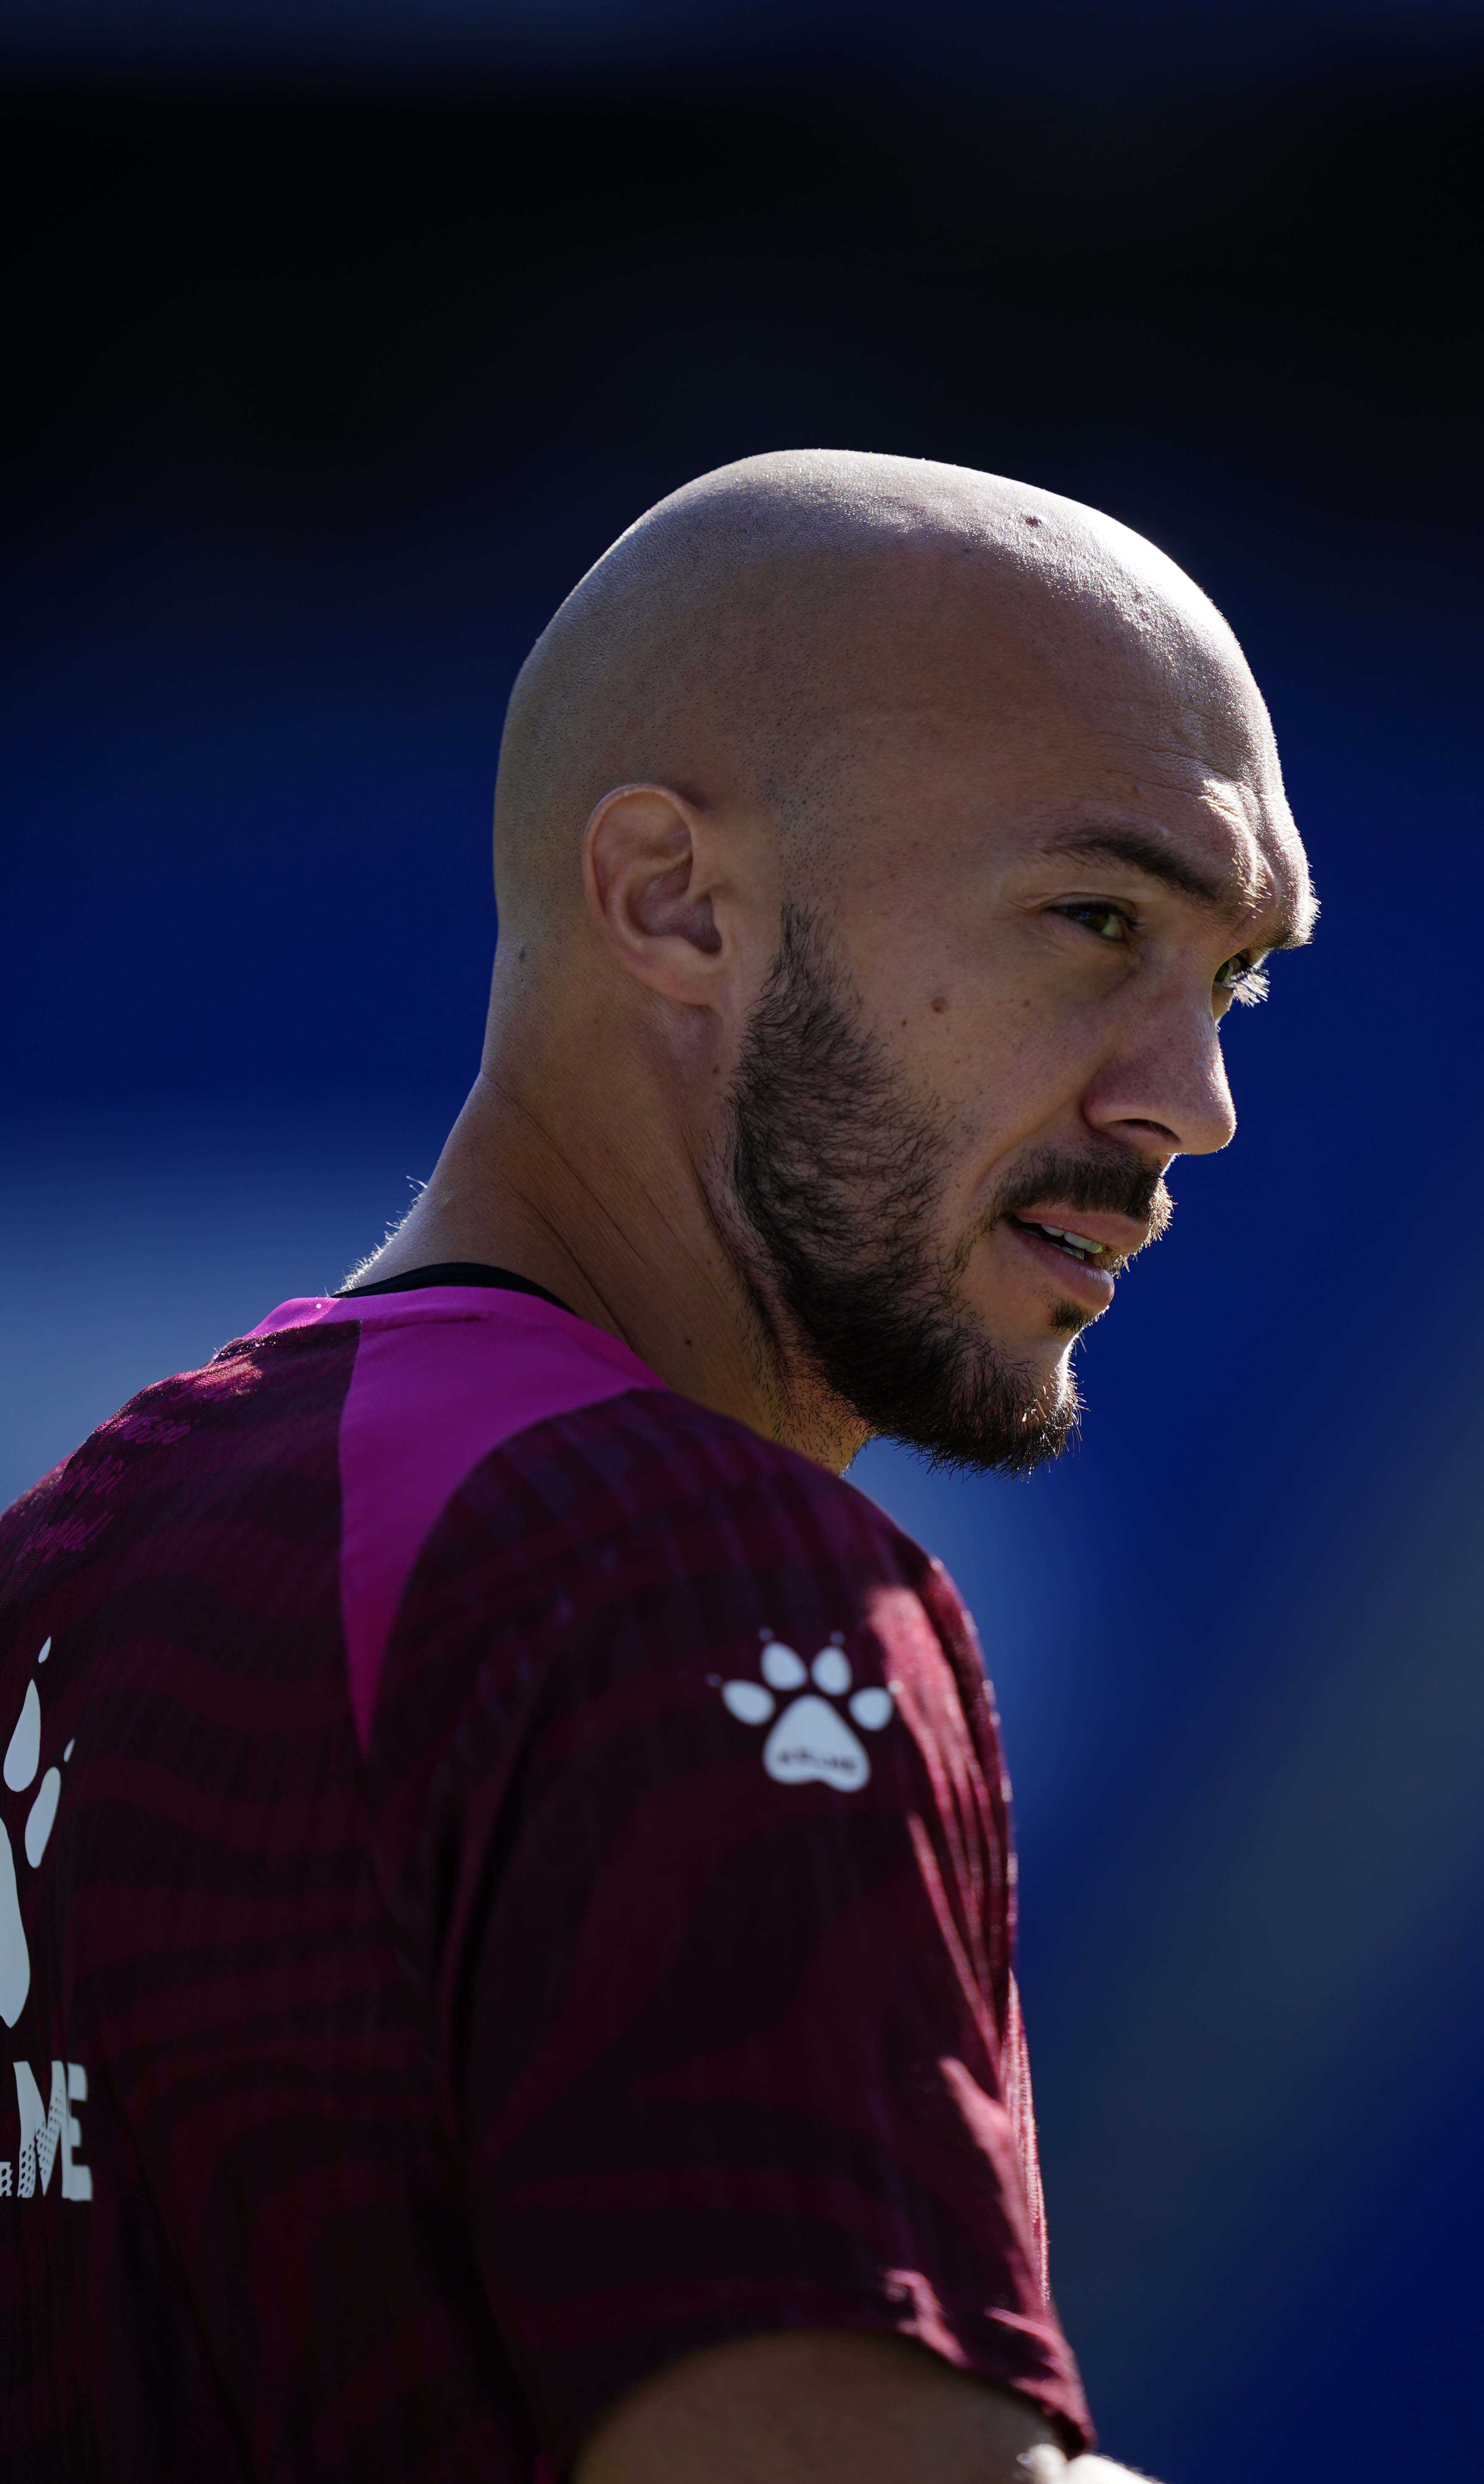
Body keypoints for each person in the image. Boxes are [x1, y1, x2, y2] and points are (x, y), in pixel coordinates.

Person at [0, 451, 1313, 2481]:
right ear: (674, 902)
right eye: (1094, 919)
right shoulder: (685, 1575)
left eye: (1228, 978)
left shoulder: (75, 1554)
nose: (1193, 1102)